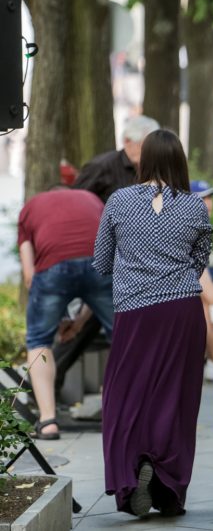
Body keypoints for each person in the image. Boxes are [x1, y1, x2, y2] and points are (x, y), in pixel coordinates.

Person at [93, 129, 213, 518]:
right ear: (179, 161)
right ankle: (165, 482)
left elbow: (101, 261)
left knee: (125, 396)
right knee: (175, 400)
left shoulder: (119, 201)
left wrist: (134, 272)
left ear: (143, 161)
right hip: (182, 312)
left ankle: (132, 470)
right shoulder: (195, 208)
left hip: (135, 313)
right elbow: (199, 261)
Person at [18, 188, 115, 440]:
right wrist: (79, 321)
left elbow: (30, 275)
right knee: (123, 335)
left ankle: (48, 421)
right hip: (99, 262)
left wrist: (51, 317)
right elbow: (101, 266)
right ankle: (125, 414)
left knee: (38, 340)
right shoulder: (91, 198)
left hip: (53, 266)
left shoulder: (30, 208)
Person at [74, 115, 160, 203]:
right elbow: (76, 202)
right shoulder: (100, 166)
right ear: (127, 141)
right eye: (144, 146)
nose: (150, 152)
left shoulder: (156, 168)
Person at [190, 180, 213, 382]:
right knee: (207, 304)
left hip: (190, 282)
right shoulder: (191, 225)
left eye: (209, 197)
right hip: (174, 289)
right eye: (203, 197)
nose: (209, 202)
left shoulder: (202, 224)